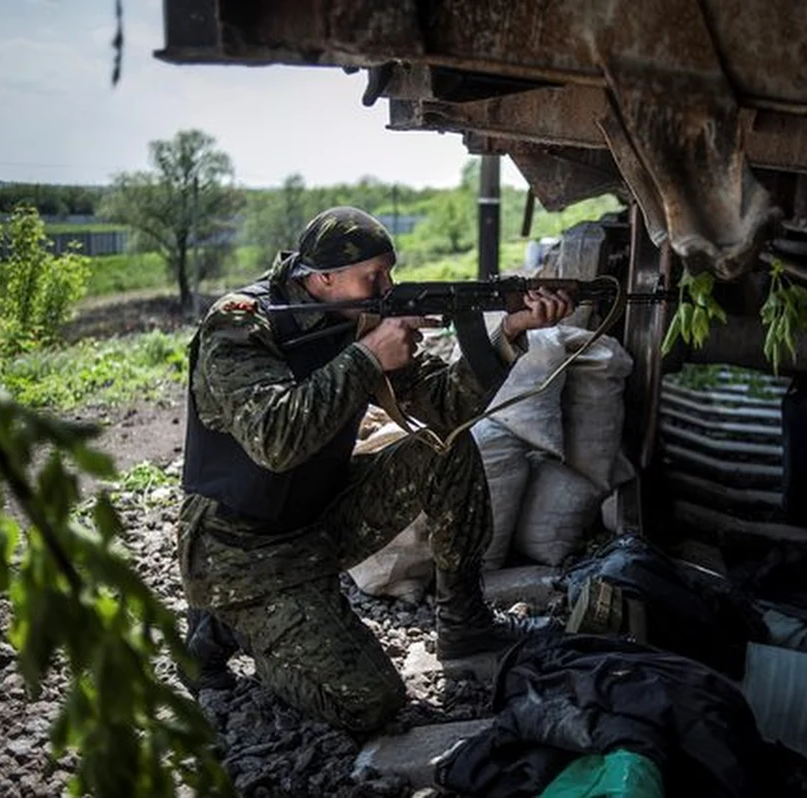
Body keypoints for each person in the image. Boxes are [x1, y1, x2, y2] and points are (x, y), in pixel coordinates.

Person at [176, 206, 574, 735]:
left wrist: (509, 333)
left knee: (444, 449)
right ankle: (232, 626)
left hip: (316, 517)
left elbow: (445, 408)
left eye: (389, 273)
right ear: (323, 279)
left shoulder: (359, 317)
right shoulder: (241, 322)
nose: (387, 287)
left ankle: (465, 625)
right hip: (240, 547)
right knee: (372, 702)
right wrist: (367, 356)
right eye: (374, 276)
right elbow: (273, 441)